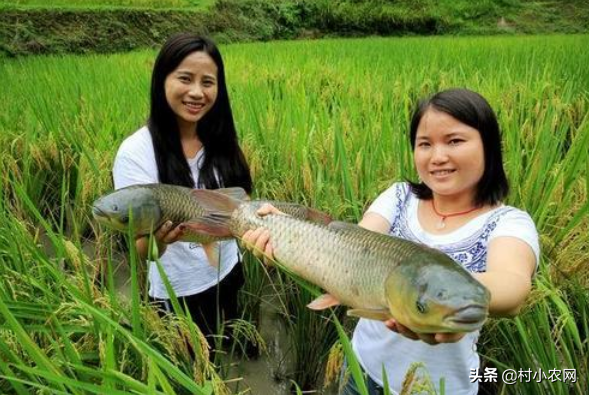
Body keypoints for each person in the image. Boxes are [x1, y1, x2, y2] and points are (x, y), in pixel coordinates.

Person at [242, 88, 539, 395]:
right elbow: (348, 248)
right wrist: (281, 230)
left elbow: (512, 285)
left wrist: (435, 296)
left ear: (488, 145)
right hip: (361, 372)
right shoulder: (400, 198)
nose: (438, 156)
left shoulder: (507, 222)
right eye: (425, 144)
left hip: (439, 389)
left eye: (455, 141)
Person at [112, 33, 252, 353]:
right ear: (162, 80)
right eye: (185, 79)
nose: (197, 92)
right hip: (180, 291)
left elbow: (240, 199)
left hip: (228, 269)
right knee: (190, 370)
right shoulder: (136, 152)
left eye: (208, 82)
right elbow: (144, 250)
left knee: (225, 348)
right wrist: (160, 238)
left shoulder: (220, 138)